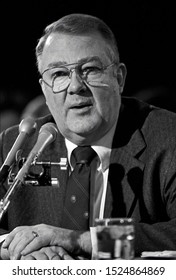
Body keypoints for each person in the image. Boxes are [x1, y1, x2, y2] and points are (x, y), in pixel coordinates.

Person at [1, 13, 176, 260]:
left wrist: (81, 241)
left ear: (119, 78)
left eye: (90, 69)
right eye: (59, 74)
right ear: (44, 88)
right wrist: (15, 248)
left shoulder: (168, 137)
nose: (75, 86)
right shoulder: (16, 145)